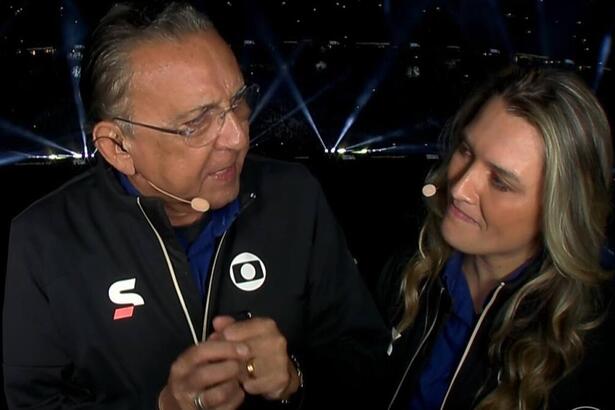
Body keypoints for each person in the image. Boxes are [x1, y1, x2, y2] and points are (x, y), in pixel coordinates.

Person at [2, 2, 388, 409]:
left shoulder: (295, 197)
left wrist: (294, 376)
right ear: (117, 147)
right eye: (197, 123)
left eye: (238, 102)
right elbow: (33, 402)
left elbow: (367, 357)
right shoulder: (42, 241)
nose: (238, 137)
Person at [377, 66, 615, 409]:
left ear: (558, 209)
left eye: (500, 182)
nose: (459, 188)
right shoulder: (407, 268)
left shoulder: (592, 344)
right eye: (465, 150)